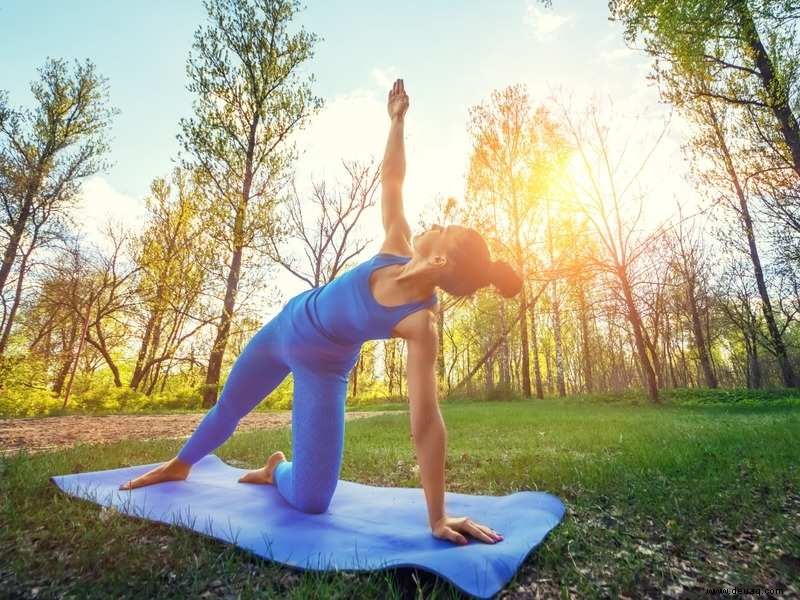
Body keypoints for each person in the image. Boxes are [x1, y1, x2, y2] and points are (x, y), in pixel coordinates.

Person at [119, 79, 522, 546]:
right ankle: (180, 463)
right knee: (230, 406)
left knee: (312, 500)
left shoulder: (420, 323)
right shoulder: (396, 243)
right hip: (287, 326)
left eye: (444, 229)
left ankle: (276, 469)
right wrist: (396, 121)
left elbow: (427, 422)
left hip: (324, 369)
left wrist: (438, 516)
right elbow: (392, 178)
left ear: (441, 263)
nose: (434, 223)